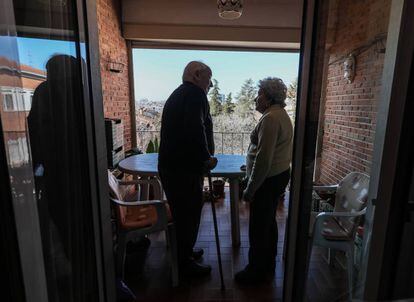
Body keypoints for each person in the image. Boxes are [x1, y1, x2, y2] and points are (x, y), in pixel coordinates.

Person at [158, 61, 217, 278]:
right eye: (209, 80)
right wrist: (206, 157)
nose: (209, 86)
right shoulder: (194, 94)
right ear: (197, 75)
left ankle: (186, 253)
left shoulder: (180, 93)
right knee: (188, 214)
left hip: (174, 168)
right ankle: (184, 264)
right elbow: (195, 128)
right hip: (184, 170)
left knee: (184, 214)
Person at [235, 77, 293, 284]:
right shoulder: (279, 115)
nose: (255, 98)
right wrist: (249, 166)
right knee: (268, 223)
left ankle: (255, 270)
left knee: (258, 226)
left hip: (267, 180)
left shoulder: (270, 119)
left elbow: (264, 157)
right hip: (276, 176)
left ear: (268, 98)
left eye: (259, 94)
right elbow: (269, 152)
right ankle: (268, 263)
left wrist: (250, 189)